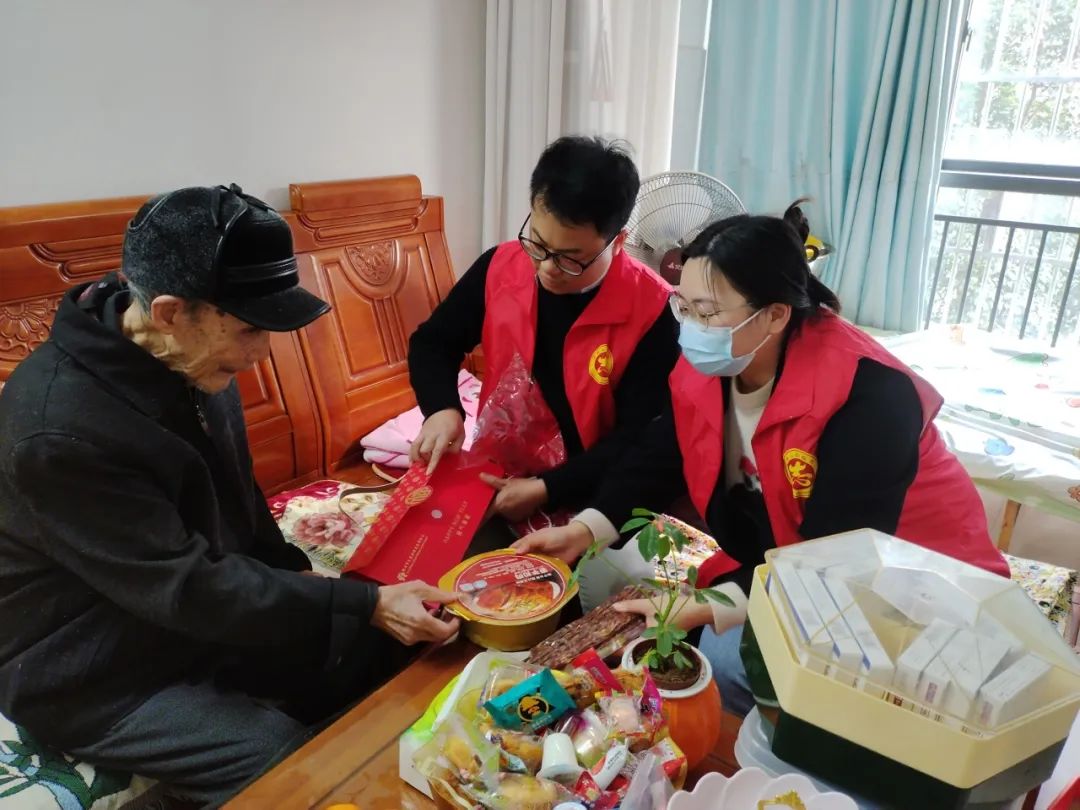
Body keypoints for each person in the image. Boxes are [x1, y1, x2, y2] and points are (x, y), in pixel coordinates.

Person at [0, 184, 460, 807]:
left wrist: (314, 586)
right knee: (282, 763)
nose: (261, 353)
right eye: (248, 330)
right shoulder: (59, 431)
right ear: (169, 311)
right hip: (91, 667)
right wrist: (359, 602)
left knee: (382, 643)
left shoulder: (188, 356)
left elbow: (241, 502)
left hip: (191, 614)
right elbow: (187, 587)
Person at [513, 200, 1009, 715]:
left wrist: (708, 606)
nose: (690, 326)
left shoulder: (871, 398)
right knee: (720, 657)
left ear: (774, 314)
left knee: (753, 675)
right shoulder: (717, 361)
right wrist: (587, 528)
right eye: (683, 306)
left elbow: (842, 560)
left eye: (706, 312)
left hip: (911, 592)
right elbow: (666, 450)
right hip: (792, 564)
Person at [408, 136, 680, 530]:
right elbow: (433, 343)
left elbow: (640, 439)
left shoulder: (653, 310)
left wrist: (547, 489)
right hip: (496, 474)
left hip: (596, 499)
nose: (547, 268)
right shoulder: (501, 266)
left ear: (618, 242)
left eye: (571, 258)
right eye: (538, 243)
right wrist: (442, 409)